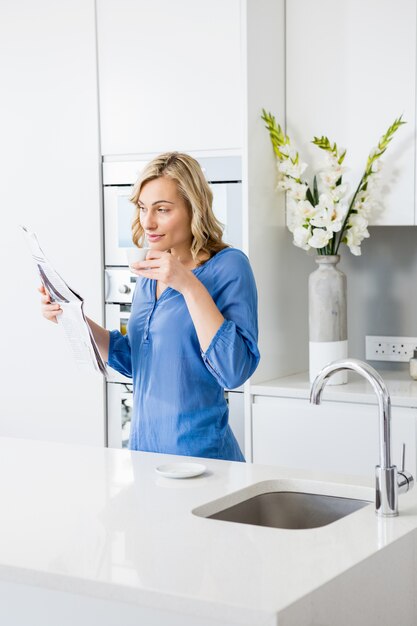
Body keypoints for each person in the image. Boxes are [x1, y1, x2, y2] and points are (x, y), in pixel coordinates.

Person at [40, 152, 260, 461]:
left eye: (162, 209)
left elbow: (234, 371)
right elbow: (136, 361)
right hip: (144, 456)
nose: (148, 222)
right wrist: (73, 317)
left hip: (204, 459)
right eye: (143, 208)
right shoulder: (150, 270)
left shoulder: (230, 267)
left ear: (194, 209)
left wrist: (188, 284)